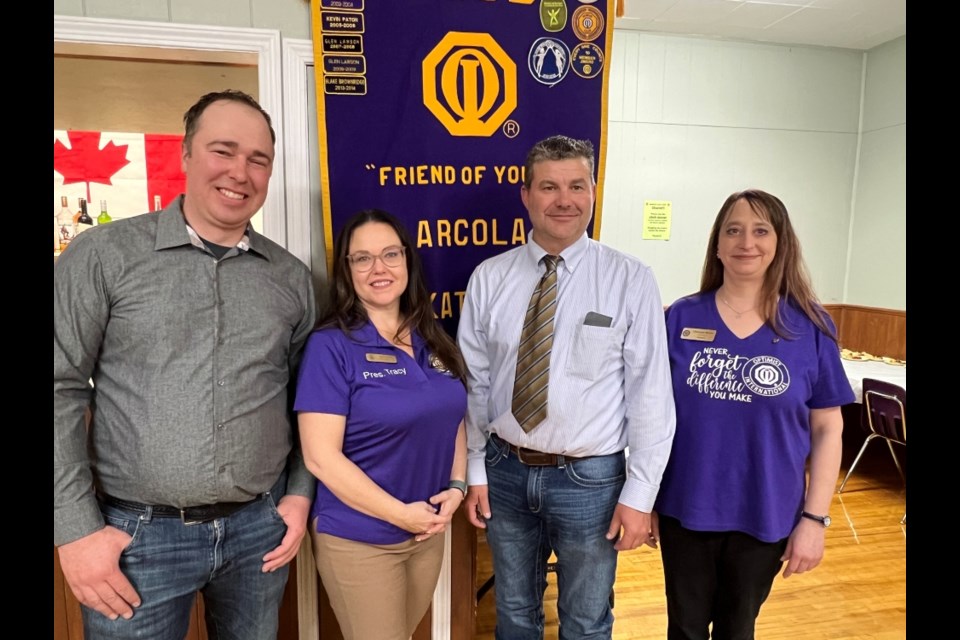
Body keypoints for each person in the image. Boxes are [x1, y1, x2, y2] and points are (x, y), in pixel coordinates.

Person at [53, 90, 318, 639]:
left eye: (258, 159)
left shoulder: (291, 279)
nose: (240, 172)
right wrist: (74, 530)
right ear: (187, 154)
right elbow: (58, 386)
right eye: (223, 150)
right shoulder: (104, 256)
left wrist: (298, 493)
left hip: (258, 534)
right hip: (134, 539)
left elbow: (309, 398)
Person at [458, 135, 677, 639]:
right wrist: (474, 470)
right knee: (514, 616)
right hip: (504, 473)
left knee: (586, 622)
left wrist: (641, 495)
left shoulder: (630, 279)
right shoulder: (489, 278)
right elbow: (475, 384)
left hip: (592, 482)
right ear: (526, 194)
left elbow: (650, 394)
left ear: (594, 191)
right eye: (549, 186)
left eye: (577, 186)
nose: (564, 199)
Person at [653, 189, 855, 640]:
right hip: (685, 506)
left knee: (737, 628)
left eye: (761, 230)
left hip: (765, 509)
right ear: (718, 244)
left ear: (780, 242)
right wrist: (644, 497)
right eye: (734, 230)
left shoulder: (811, 326)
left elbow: (828, 429)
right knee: (683, 628)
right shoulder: (679, 318)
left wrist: (815, 520)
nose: (747, 242)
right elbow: (651, 418)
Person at [294, 209, 468, 640]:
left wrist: (458, 485)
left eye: (390, 254)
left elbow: (452, 417)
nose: (379, 268)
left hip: (426, 532)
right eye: (362, 258)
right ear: (346, 270)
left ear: (407, 260)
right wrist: (400, 515)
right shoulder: (331, 346)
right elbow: (320, 458)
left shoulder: (431, 337)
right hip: (361, 538)